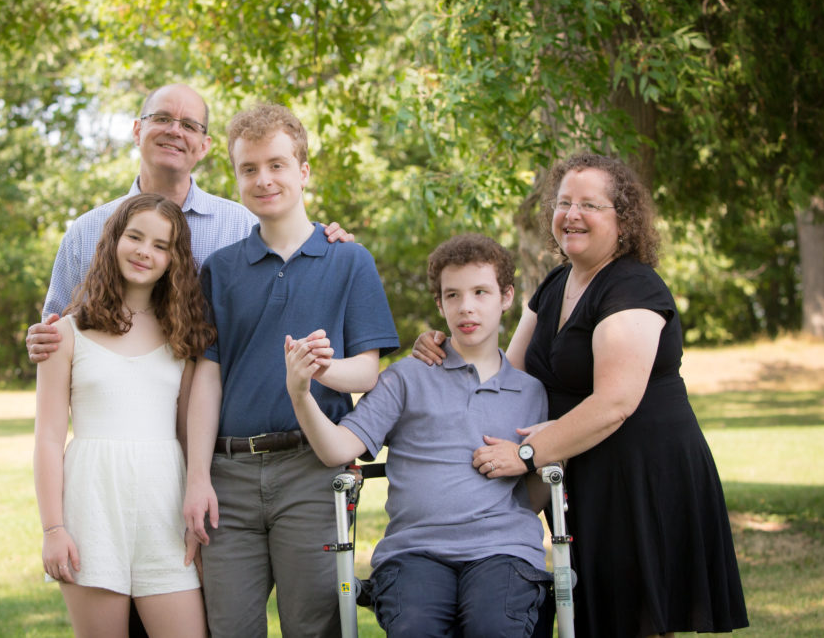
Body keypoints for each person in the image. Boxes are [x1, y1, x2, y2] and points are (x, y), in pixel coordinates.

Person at [415, 153, 749, 638]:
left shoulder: (632, 286)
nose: (571, 214)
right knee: (591, 619)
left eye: (589, 204)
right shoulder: (555, 283)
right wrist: (444, 348)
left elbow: (615, 402)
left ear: (623, 219)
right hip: (579, 475)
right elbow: (507, 372)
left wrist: (527, 453)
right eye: (563, 202)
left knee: (637, 622)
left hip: (640, 477)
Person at [182, 103, 399, 637]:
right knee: (231, 626)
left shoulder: (350, 260)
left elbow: (367, 373)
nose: (264, 179)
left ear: (303, 171)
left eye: (277, 165)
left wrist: (317, 370)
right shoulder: (221, 270)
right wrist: (196, 476)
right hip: (228, 476)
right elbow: (207, 378)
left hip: (310, 472)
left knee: (316, 625)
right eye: (249, 169)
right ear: (235, 178)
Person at [286, 233, 552, 637]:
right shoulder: (406, 378)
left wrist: (544, 453)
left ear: (507, 297)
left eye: (481, 292)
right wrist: (301, 393)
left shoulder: (530, 392)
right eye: (452, 295)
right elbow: (336, 449)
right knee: (416, 628)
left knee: (494, 626)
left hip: (503, 551)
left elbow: (532, 495)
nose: (467, 307)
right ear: (439, 304)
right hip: (415, 553)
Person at [25, 83, 351, 362]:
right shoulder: (87, 231)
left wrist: (328, 241)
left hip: (216, 418)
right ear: (137, 130)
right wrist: (40, 339)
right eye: (162, 118)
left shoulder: (242, 224)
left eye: (190, 125)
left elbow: (296, 263)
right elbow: (54, 331)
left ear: (204, 146)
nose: (174, 131)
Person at [34, 193, 212, 637]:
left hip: (164, 507)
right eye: (134, 237)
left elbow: (189, 432)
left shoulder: (183, 337)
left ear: (174, 259)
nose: (143, 252)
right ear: (113, 240)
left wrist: (194, 513)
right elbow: (48, 439)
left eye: (160, 245)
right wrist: (53, 528)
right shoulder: (66, 332)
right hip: (90, 506)